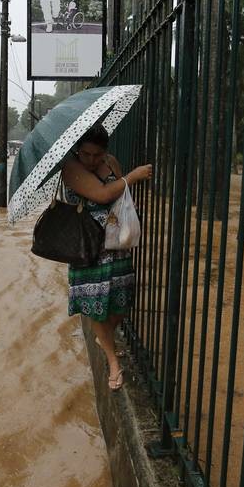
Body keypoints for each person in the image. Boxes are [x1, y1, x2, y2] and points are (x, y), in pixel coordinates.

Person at [62, 124, 153, 391]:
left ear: (106, 152)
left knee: (121, 305)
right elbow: (102, 194)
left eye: (97, 155)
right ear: (79, 150)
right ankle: (113, 362)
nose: (91, 160)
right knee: (97, 305)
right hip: (88, 247)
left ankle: (106, 340)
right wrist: (132, 177)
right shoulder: (71, 167)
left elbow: (120, 196)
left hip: (117, 242)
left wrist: (124, 184)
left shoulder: (111, 162)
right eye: (86, 154)